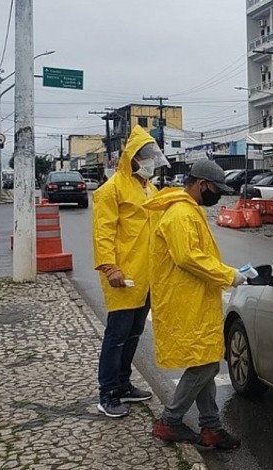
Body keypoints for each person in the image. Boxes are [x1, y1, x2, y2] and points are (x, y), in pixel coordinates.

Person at [143, 159, 247, 450]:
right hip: (185, 300)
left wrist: (228, 272)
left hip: (194, 297)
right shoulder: (180, 214)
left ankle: (210, 427)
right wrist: (230, 275)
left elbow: (198, 255)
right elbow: (188, 257)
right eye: (216, 189)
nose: (218, 195)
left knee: (206, 362)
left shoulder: (189, 211)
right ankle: (170, 421)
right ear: (202, 184)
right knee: (203, 366)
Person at [91, 125, 169, 418]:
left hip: (148, 276)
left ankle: (123, 384)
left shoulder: (150, 189)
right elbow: (103, 233)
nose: (150, 161)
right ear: (132, 158)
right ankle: (107, 393)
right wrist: (110, 267)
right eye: (145, 156)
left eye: (153, 155)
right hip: (123, 275)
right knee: (117, 335)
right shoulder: (110, 190)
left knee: (135, 333)